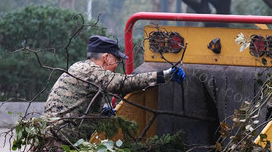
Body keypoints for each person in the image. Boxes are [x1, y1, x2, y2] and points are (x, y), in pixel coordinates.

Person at [43, 35, 185, 119]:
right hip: (59, 142)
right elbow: (121, 83)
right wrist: (163, 75)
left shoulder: (80, 67)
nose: (117, 65)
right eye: (117, 60)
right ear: (106, 57)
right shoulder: (89, 71)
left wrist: (99, 115)